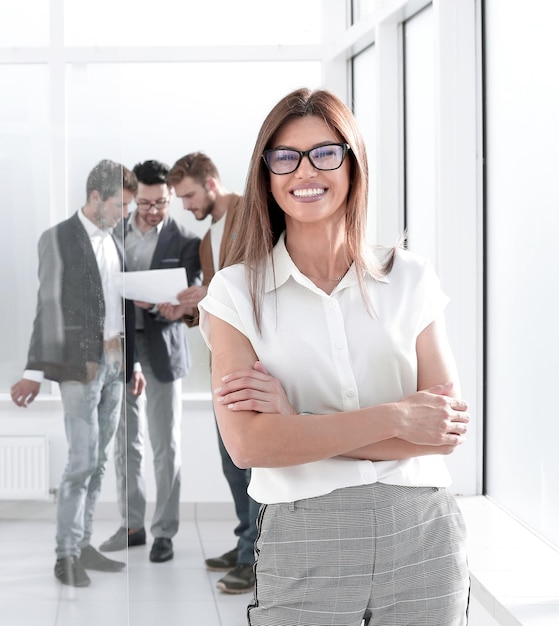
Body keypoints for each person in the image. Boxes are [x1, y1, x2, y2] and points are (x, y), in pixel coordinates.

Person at [197, 88, 471, 625]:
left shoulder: (409, 278)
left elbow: (443, 431)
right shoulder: (234, 294)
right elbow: (250, 443)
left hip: (425, 535)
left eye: (324, 152)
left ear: (353, 162)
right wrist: (396, 418)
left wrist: (298, 425)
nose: (305, 171)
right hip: (305, 538)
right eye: (285, 157)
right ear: (266, 174)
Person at [10, 160, 142, 587]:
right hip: (78, 366)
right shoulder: (59, 239)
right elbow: (47, 306)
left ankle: (83, 544)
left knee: (101, 460)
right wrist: (33, 371)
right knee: (81, 460)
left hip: (115, 363)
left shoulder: (115, 239)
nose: (126, 213)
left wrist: (133, 362)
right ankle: (65, 555)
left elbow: (122, 305)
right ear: (94, 198)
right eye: (120, 205)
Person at [160, 152, 257, 593]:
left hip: (255, 358)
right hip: (220, 360)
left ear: (211, 184)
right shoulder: (205, 242)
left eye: (189, 195)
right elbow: (213, 302)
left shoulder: (252, 211)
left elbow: (258, 274)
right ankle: (245, 543)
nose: (185, 205)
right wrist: (187, 307)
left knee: (254, 465)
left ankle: (256, 555)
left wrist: (212, 288)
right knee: (233, 464)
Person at [100, 159, 202, 564]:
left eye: (160, 203)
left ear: (170, 197)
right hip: (122, 351)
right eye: (144, 202)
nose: (152, 210)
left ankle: (165, 532)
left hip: (162, 348)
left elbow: (192, 296)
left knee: (166, 445)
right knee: (125, 444)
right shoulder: (112, 235)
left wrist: (164, 306)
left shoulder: (186, 241)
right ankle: (132, 526)